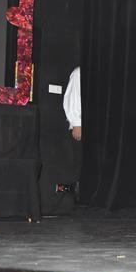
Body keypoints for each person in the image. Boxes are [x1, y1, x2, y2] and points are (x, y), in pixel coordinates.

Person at [63, 67, 82, 198]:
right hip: (81, 127)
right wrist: (76, 123)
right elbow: (72, 98)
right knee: (79, 165)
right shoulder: (78, 73)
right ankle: (79, 199)